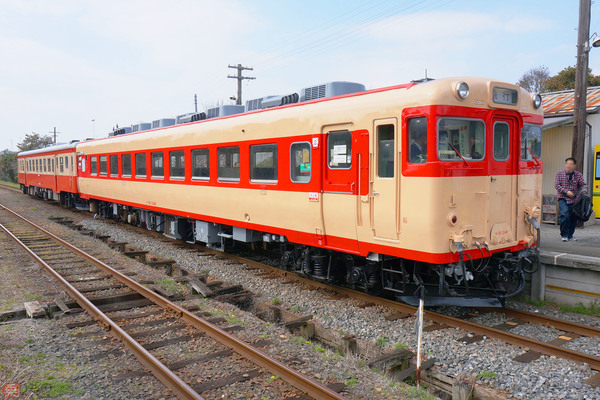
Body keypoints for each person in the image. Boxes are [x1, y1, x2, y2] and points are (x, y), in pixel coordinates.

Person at [554, 157, 587, 242]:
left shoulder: (578, 175)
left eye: (571, 164)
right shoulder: (559, 174)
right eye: (567, 164)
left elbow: (582, 185)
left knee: (574, 218)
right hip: (563, 198)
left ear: (574, 166)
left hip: (575, 199)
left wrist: (583, 190)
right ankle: (564, 235)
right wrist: (566, 191)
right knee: (565, 215)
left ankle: (570, 235)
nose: (568, 165)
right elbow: (557, 185)